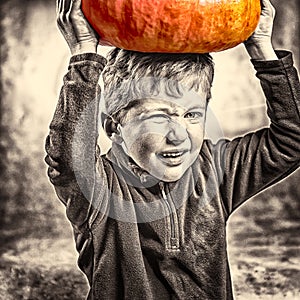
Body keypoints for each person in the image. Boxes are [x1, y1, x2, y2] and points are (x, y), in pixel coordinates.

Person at [45, 0, 300, 299]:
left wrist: (263, 52)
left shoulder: (216, 171)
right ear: (114, 128)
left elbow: (292, 140)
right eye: (158, 116)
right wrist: (84, 56)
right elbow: (69, 156)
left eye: (192, 115)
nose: (178, 135)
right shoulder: (99, 190)